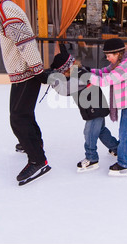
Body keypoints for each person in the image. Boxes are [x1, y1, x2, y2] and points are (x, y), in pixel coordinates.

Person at [0, 0, 51, 185]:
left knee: (18, 118)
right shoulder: (3, 9)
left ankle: (38, 160)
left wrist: (38, 71)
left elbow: (25, 42)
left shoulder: (6, 9)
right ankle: (32, 144)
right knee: (22, 114)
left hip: (27, 73)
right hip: (23, 72)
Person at [48, 44, 119, 172]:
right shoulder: (80, 70)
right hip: (96, 108)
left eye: (62, 72)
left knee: (90, 133)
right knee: (101, 131)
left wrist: (52, 80)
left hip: (94, 110)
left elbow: (64, 89)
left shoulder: (79, 75)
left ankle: (92, 159)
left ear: (66, 69)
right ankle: (117, 148)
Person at [89, 38, 127, 176]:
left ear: (118, 54)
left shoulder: (123, 68)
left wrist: (87, 77)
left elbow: (105, 81)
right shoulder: (116, 65)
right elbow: (103, 72)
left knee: (125, 135)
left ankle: (125, 164)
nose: (107, 59)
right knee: (124, 133)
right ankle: (121, 150)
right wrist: (89, 71)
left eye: (109, 56)